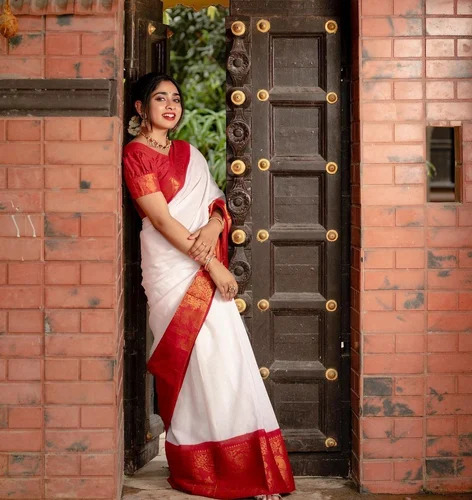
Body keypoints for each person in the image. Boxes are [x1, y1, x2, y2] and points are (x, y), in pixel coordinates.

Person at [122, 72, 295, 500]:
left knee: (227, 362)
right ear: (140, 108)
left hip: (199, 259)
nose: (171, 106)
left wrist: (216, 222)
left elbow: (216, 201)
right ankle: (204, 465)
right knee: (192, 366)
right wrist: (214, 266)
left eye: (176, 99)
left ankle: (250, 466)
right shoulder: (136, 155)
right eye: (159, 99)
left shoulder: (189, 153)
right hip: (172, 270)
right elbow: (161, 220)